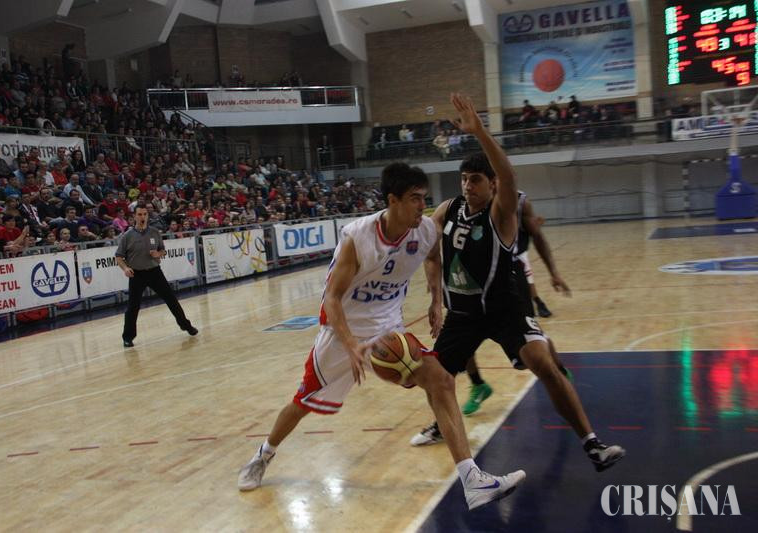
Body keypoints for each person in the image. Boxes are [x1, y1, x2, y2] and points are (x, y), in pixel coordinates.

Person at [237, 162, 525, 510]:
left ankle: (472, 480)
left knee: (442, 381)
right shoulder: (358, 237)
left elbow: (433, 257)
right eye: (415, 198)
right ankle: (263, 454)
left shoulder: (425, 232)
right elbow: (332, 298)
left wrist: (436, 300)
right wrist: (351, 344)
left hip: (387, 327)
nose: (422, 206)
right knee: (302, 403)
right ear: (393, 200)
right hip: (342, 329)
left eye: (425, 198)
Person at [409, 94, 625, 474]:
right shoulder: (448, 209)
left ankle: (592, 445)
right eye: (464, 179)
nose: (468, 186)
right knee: (435, 378)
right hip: (462, 312)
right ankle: (443, 425)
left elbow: (509, 175)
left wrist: (480, 132)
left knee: (542, 363)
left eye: (476, 180)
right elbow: (430, 254)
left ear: (493, 185)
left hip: (504, 306)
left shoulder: (502, 212)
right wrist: (435, 300)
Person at [460, 190, 573, 415]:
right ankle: (478, 384)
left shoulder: (520, 201)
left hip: (510, 275)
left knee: (532, 336)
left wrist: (554, 273)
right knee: (462, 333)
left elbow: (538, 237)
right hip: (477, 277)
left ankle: (558, 370)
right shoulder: (468, 201)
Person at [115, 206, 198, 348]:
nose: (142, 217)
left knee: (171, 299)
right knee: (133, 307)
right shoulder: (127, 236)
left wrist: (158, 254)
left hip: (154, 272)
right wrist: (125, 268)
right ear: (134, 216)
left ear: (148, 216)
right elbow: (118, 257)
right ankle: (128, 337)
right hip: (137, 274)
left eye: (145, 214)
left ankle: (186, 325)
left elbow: (163, 251)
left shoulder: (154, 232)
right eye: (139, 214)